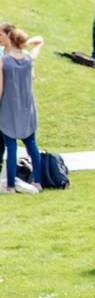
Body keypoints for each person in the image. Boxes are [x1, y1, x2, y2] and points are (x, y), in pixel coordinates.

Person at [0, 27, 44, 193]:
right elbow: (40, 40)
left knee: (11, 147)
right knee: (32, 146)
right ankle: (38, 182)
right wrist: (29, 42)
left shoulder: (4, 61)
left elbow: (0, 88)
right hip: (27, 107)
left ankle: (10, 185)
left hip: (9, 107)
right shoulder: (29, 58)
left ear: (10, 40)